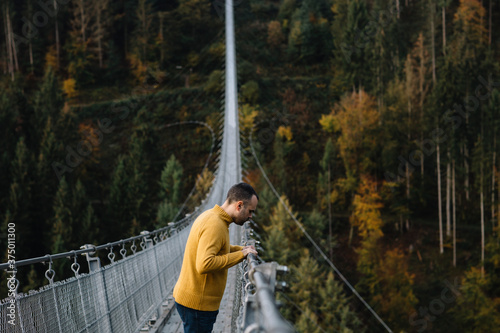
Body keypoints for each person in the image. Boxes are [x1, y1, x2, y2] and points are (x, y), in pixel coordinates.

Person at [173, 182, 259, 333]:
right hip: (197, 306)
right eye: (250, 211)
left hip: (195, 302)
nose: (251, 217)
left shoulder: (212, 217)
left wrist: (242, 250)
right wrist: (241, 254)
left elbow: (220, 248)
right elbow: (205, 264)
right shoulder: (215, 225)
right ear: (239, 205)